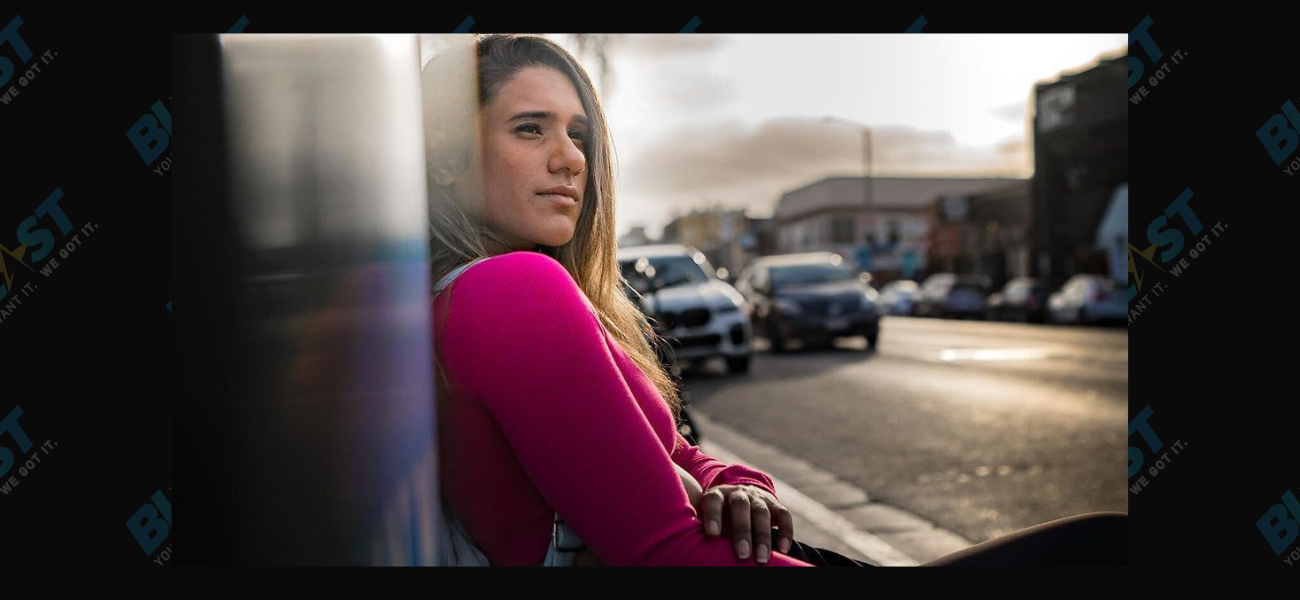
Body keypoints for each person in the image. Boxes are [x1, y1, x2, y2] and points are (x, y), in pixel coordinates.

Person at [424, 33, 1126, 567]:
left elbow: (673, 454)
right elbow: (665, 551)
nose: (571, 157)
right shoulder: (506, 292)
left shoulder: (504, 291)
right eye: (530, 128)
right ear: (450, 155)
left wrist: (736, 480)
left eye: (578, 133)